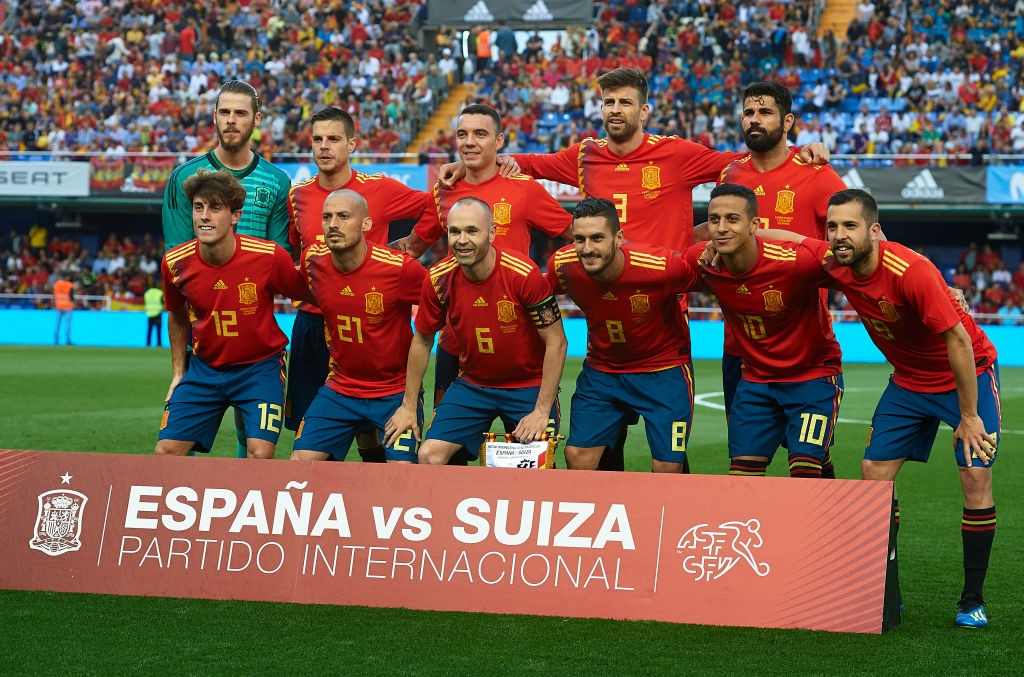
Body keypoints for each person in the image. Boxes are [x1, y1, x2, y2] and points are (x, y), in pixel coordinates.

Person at [441, 68, 828, 471]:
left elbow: (747, 160)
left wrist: (802, 150)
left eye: (625, 102)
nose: (615, 109)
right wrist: (464, 161)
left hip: (661, 307)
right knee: (600, 444)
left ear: (644, 110)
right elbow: (523, 163)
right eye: (608, 102)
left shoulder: (677, 154)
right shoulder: (584, 155)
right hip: (605, 304)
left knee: (667, 451)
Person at [777, 189, 999, 628]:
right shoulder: (836, 261)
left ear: (875, 231)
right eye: (833, 227)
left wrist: (969, 416)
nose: (839, 235)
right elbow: (783, 238)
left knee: (975, 477)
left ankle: (972, 599)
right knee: (873, 475)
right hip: (908, 382)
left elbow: (957, 341)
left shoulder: (911, 272)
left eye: (851, 226)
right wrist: (729, 235)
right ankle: (886, 591)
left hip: (965, 376)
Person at [392, 103, 572, 463]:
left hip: (518, 340)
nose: (469, 142)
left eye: (480, 134)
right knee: (448, 458)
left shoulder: (524, 189)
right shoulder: (444, 191)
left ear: (499, 141)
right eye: (462, 134)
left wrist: (556, 280)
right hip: (460, 348)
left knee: (527, 462)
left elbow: (576, 235)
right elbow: (413, 247)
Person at [284, 107, 433, 460]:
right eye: (317, 139)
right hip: (314, 320)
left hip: (373, 317)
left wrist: (415, 244)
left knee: (371, 432)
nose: (324, 147)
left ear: (351, 144)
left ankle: (371, 489)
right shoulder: (298, 195)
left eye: (333, 139)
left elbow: (437, 206)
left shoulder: (379, 188)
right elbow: (299, 247)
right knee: (313, 422)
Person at [716, 81, 848, 477]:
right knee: (746, 461)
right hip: (741, 350)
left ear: (788, 121)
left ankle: (829, 529)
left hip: (803, 346)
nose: (754, 120)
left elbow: (860, 236)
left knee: (806, 460)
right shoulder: (729, 174)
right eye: (748, 112)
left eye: (765, 112)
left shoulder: (816, 174)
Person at [161, 79, 293, 458]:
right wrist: (178, 367)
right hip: (203, 323)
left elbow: (279, 256)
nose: (231, 120)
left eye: (240, 113)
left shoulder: (277, 181)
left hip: (253, 322)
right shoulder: (185, 178)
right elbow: (178, 261)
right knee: (176, 438)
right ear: (214, 117)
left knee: (251, 433)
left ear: (256, 119)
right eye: (224, 112)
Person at [384, 197, 567, 465]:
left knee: (533, 465)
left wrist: (541, 410)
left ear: (491, 233)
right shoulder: (438, 279)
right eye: (455, 231)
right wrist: (408, 407)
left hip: (527, 385)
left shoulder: (523, 274)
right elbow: (423, 340)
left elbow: (557, 342)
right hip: (473, 385)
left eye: (472, 231)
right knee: (428, 455)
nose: (462, 240)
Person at [687, 184, 843, 479]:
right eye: (714, 220)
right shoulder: (705, 262)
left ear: (754, 225)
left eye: (732, 219)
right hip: (755, 380)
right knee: (742, 478)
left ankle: (828, 507)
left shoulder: (796, 261)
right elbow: (655, 267)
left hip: (812, 377)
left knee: (805, 471)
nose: (721, 228)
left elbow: (858, 260)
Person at [156, 170, 308, 459]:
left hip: (260, 368)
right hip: (204, 369)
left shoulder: (269, 256)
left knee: (259, 453)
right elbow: (176, 315)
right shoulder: (175, 262)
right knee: (166, 452)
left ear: (235, 215)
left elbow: (307, 294)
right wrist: (178, 373)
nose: (204, 216)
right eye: (198, 208)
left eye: (215, 208)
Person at [547, 197, 698, 473]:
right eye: (579, 239)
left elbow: (716, 280)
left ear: (618, 238)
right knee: (577, 456)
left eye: (597, 238)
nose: (587, 249)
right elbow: (536, 296)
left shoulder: (661, 265)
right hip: (603, 372)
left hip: (663, 371)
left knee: (667, 467)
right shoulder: (563, 265)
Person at [290, 190, 427, 464]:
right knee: (299, 464)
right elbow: (301, 290)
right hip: (340, 388)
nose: (333, 224)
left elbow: (441, 301)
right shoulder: (313, 261)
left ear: (366, 224)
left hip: (394, 391)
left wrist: (409, 405)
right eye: (327, 217)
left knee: (403, 470)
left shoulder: (400, 269)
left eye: (343, 216)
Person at [52, 273, 74, 346]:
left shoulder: (56, 284)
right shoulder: (69, 285)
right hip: (67, 306)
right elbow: (71, 297)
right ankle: (67, 340)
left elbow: (54, 295)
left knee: (58, 323)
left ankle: (56, 340)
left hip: (59, 306)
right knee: (67, 324)